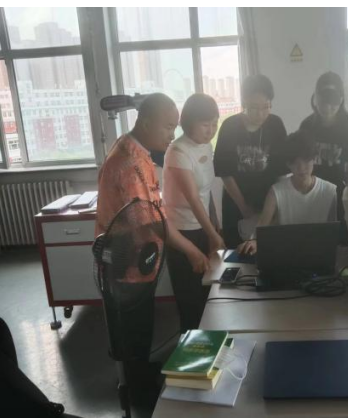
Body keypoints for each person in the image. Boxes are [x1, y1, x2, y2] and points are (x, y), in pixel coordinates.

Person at [96, 93, 209, 396]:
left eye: (174, 127)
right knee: (134, 327)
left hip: (138, 259)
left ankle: (141, 372)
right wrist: (192, 250)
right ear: (145, 123)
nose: (172, 135)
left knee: (141, 323)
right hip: (126, 261)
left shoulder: (134, 148)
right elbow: (153, 222)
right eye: (167, 127)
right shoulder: (130, 162)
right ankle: (138, 387)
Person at [163, 93, 222, 331]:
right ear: (189, 123)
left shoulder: (206, 145)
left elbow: (207, 192)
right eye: (205, 124)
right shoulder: (178, 151)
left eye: (215, 124)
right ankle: (189, 345)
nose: (211, 130)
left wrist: (215, 226)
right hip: (182, 232)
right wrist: (213, 235)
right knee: (190, 299)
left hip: (203, 226)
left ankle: (209, 343)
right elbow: (194, 199)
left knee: (209, 293)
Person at [214, 75, 288, 248]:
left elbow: (281, 170)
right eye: (254, 108)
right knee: (237, 251)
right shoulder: (230, 126)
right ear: (244, 103)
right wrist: (243, 207)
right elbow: (225, 172)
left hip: (268, 200)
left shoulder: (275, 125)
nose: (261, 114)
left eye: (266, 107)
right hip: (236, 202)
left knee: (270, 248)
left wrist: (275, 204)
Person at [237, 134, 338, 255]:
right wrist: (254, 241)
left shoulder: (330, 191)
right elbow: (262, 226)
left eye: (306, 161)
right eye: (295, 162)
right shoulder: (276, 192)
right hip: (285, 252)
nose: (301, 168)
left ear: (314, 159)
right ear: (288, 164)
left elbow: (334, 232)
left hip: (319, 252)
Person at [297, 71, 348, 187]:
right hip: (312, 189)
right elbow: (299, 160)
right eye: (323, 100)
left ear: (341, 100)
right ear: (316, 98)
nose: (327, 107)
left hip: (342, 189)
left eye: (333, 101)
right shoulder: (307, 126)